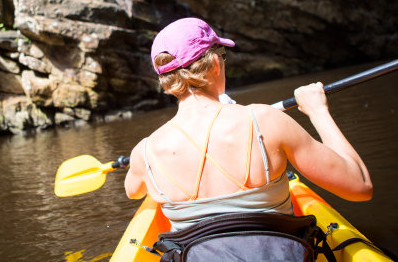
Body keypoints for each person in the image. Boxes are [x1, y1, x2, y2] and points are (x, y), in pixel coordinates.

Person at [124, 17, 372, 232]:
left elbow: (133, 192)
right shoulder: (265, 121)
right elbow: (360, 187)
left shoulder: (144, 153)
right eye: (222, 56)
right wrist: (318, 111)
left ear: (165, 80)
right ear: (215, 64)